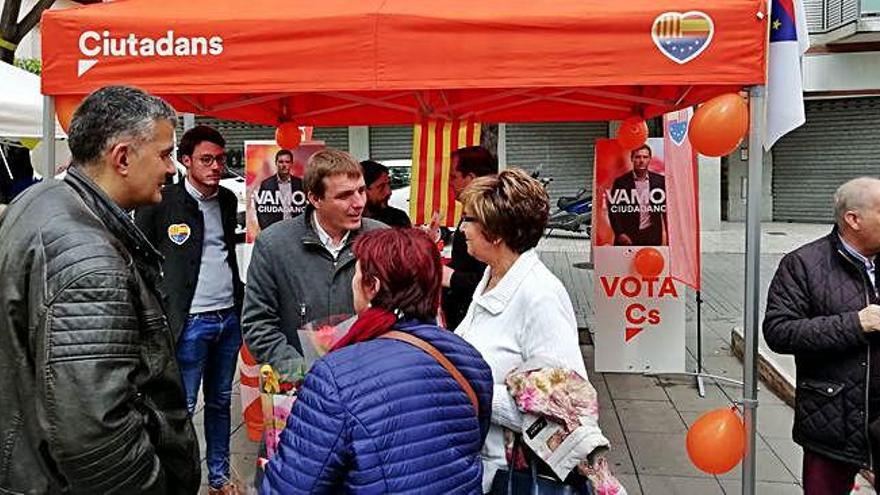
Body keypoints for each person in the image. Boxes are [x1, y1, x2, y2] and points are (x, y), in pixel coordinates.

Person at [0, 86, 200, 494]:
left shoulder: (45, 200)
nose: (173, 169)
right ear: (122, 157)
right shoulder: (88, 260)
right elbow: (93, 430)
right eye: (164, 154)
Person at [262, 228, 493, 494]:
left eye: (356, 273)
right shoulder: (468, 358)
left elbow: (291, 486)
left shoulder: (336, 376)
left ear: (372, 286)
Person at [453, 168, 588, 493]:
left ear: (495, 232)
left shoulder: (540, 296)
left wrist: (476, 393)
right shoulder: (492, 279)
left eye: (468, 219)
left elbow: (564, 410)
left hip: (515, 478)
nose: (461, 229)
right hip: (484, 466)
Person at [135, 125, 243, 494]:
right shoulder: (162, 201)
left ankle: (220, 477)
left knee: (221, 401)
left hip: (228, 317)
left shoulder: (228, 201)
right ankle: (176, 480)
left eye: (220, 159)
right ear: (185, 162)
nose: (216, 167)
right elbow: (143, 259)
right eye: (206, 160)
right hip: (189, 321)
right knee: (181, 406)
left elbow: (226, 253)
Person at [764, 177, 880, 494]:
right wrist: (856, 324)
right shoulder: (802, 264)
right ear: (853, 219)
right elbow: (779, 331)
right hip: (831, 418)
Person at [242, 149, 385, 374]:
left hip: (369, 379)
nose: (358, 203)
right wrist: (299, 371)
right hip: (302, 387)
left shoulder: (381, 239)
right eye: (344, 195)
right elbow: (258, 324)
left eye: (361, 191)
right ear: (315, 198)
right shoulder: (273, 245)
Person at [442, 146, 498, 330]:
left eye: (453, 177)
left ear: (471, 179)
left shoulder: (488, 218)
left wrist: (451, 277)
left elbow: (491, 279)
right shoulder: (476, 212)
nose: (449, 183)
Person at [606, 144, 667, 246]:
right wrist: (620, 233)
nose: (641, 160)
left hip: (652, 235)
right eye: (638, 157)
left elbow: (666, 209)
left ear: (650, 159)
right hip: (628, 235)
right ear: (632, 159)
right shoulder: (621, 182)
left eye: (645, 157)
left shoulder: (660, 181)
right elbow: (613, 210)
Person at [255, 148, 307, 230]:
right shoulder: (267, 184)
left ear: (291, 164)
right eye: (281, 162)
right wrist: (267, 231)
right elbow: (261, 211)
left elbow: (306, 208)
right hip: (275, 230)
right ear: (276, 163)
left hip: (296, 229)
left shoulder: (300, 183)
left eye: (287, 162)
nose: (284, 165)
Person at [360, 159, 411, 228]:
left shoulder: (398, 218)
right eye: (381, 187)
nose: (388, 192)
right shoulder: (349, 221)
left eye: (389, 184)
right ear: (362, 190)